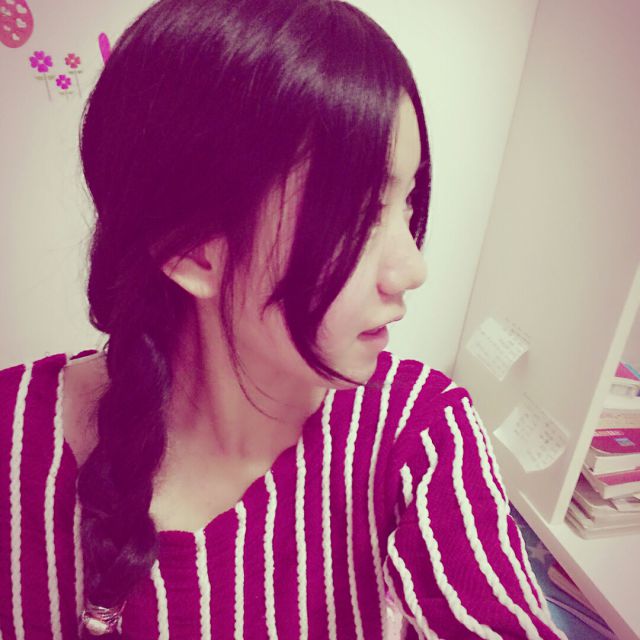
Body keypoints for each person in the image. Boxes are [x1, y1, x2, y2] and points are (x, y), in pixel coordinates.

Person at [0, 0, 568, 638]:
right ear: (193, 250)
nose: (412, 268)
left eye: (408, 202)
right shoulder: (13, 437)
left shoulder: (419, 429)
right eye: (359, 214)